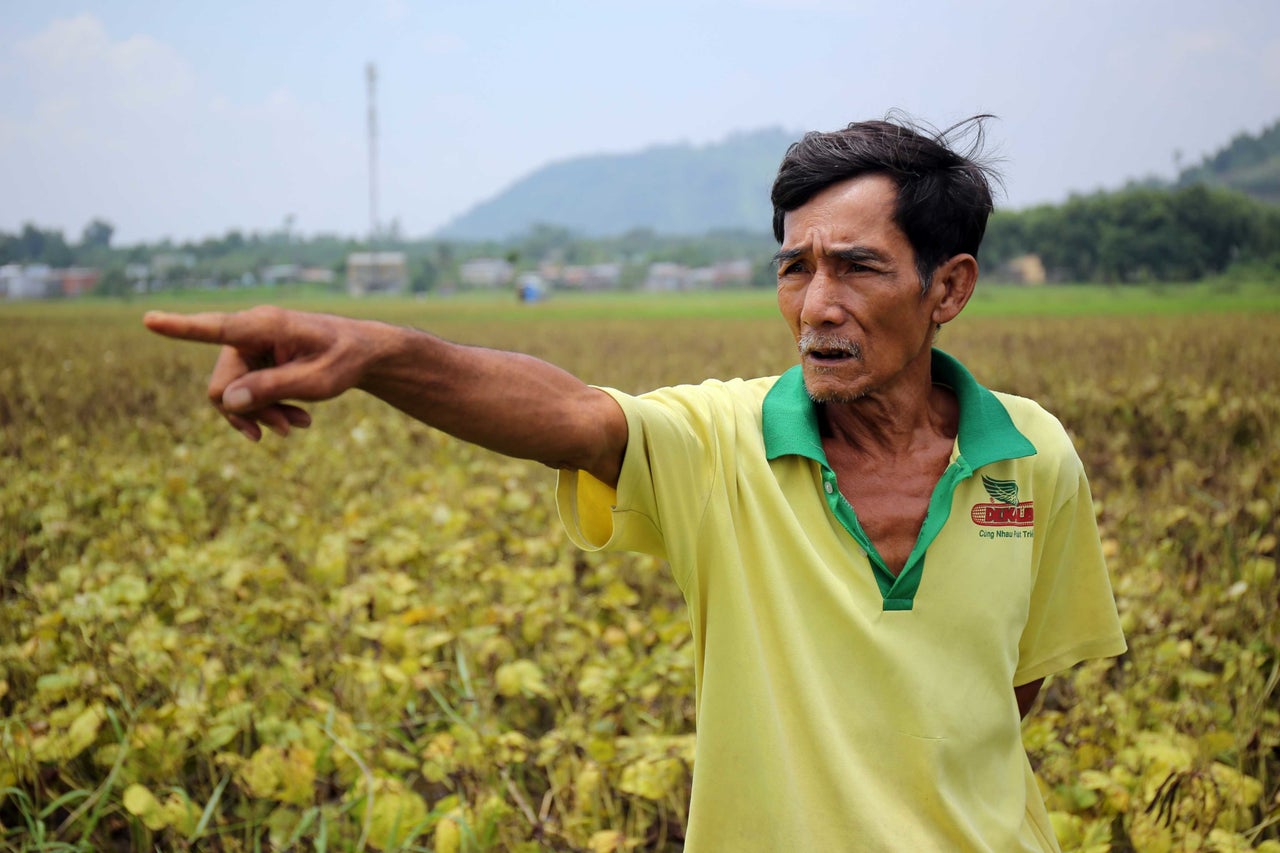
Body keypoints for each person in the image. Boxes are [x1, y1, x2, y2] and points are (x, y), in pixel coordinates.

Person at [145, 115, 1126, 851]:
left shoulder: (1031, 460)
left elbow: (1006, 689)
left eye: (857, 267)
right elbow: (571, 415)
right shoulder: (722, 444)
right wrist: (380, 353)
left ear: (945, 287)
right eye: (794, 267)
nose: (815, 305)